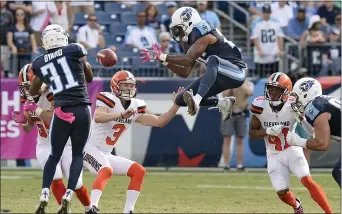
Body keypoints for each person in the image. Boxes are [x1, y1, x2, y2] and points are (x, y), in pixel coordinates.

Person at [83, 70, 183, 213]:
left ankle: (128, 211)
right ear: (115, 86)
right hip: (89, 148)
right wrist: (121, 114)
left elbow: (160, 121)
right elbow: (98, 117)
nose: (129, 89)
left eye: (131, 86)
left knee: (138, 171)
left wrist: (176, 105)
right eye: (125, 85)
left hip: (106, 153)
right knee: (106, 170)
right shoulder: (108, 98)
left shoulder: (136, 106)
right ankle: (92, 207)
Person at [27, 24, 94, 214]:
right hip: (81, 109)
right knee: (77, 154)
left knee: (54, 155)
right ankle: (69, 193)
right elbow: (89, 77)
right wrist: (85, 64)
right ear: (62, 37)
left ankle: (45, 193)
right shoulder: (75, 49)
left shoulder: (39, 63)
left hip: (61, 110)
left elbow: (32, 91)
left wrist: (41, 88)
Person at [11, 64, 93, 213]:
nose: (28, 90)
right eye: (25, 87)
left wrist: (36, 109)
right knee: (55, 178)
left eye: (31, 86)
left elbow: (56, 120)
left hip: (66, 143)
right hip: (44, 145)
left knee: (77, 184)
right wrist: (23, 122)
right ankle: (65, 210)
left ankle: (89, 208)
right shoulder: (27, 100)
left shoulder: (54, 95)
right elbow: (29, 127)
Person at [141, 7, 247, 121]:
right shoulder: (188, 41)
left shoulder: (204, 32)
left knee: (213, 60)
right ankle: (223, 103)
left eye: (178, 29)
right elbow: (185, 71)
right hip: (219, 75)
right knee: (180, 100)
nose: (177, 33)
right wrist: (164, 61)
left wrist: (160, 55)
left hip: (236, 71)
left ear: (189, 23)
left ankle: (197, 100)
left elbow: (187, 59)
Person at [249, 72, 333, 214]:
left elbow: (311, 130)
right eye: (270, 88)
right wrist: (267, 131)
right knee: (282, 192)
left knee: (307, 181)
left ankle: (329, 212)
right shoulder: (260, 105)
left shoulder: (293, 103)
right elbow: (252, 132)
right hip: (274, 154)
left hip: (292, 149)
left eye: (277, 89)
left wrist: (301, 118)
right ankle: (296, 205)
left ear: (286, 91)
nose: (272, 92)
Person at [287, 77, 341, 188]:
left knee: (339, 172)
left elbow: (322, 144)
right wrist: (300, 119)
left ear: (306, 94)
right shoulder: (321, 102)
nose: (296, 101)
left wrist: (298, 141)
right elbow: (316, 133)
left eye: (297, 96)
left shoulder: (316, 106)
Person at [221, 71, 254, 171]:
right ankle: (226, 164)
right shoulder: (227, 82)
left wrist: (239, 83)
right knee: (227, 139)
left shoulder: (248, 82)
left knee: (239, 140)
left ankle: (240, 165)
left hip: (241, 112)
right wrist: (232, 86)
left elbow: (250, 92)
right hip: (228, 112)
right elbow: (224, 94)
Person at [250, 4, 284, 76]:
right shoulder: (256, 22)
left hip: (273, 53)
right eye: (265, 12)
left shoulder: (276, 22)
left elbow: (280, 36)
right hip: (261, 55)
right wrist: (259, 50)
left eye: (268, 12)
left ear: (270, 12)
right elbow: (254, 37)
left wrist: (280, 50)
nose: (266, 14)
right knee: (260, 76)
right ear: (262, 12)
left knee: (274, 77)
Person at [7, 8, 38, 76]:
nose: (20, 16)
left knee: (25, 74)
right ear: (15, 16)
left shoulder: (28, 27)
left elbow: (33, 40)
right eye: (17, 14)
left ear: (24, 16)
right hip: (16, 53)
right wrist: (13, 47)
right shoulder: (11, 27)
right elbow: (9, 41)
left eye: (21, 14)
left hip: (26, 53)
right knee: (14, 73)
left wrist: (34, 48)